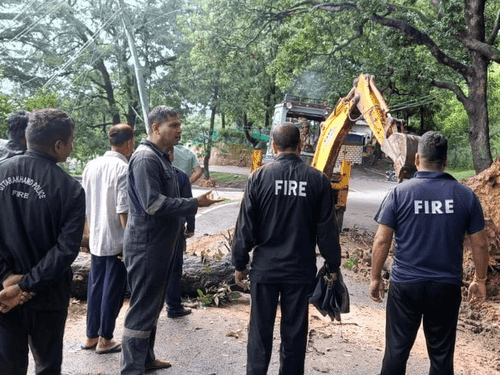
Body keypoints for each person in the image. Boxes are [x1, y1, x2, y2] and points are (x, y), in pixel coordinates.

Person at [370, 131, 489, 375]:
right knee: (442, 357)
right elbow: (480, 245)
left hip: (405, 286)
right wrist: (480, 279)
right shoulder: (466, 196)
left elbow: (382, 240)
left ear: (416, 160)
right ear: (446, 162)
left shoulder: (399, 194)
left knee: (396, 351)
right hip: (445, 286)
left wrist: (375, 277)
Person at [232, 122, 341, 375]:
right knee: (294, 334)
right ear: (301, 145)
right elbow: (327, 230)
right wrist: (332, 265)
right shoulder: (317, 180)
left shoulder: (258, 177)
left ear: (273, 145)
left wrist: (239, 263)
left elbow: (245, 227)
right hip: (299, 271)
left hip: (264, 270)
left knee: (259, 332)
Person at [121, 106, 223, 374]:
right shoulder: (145, 159)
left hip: (161, 245)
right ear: (156, 128)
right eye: (173, 125)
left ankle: (146, 359)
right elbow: (152, 204)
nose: (179, 130)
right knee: (142, 308)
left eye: (179, 124)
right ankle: (131, 368)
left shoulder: (160, 157)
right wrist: (194, 203)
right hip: (146, 246)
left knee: (153, 306)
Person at [0, 109, 85, 374]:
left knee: (7, 366)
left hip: (2, 293)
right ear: (58, 145)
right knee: (48, 366)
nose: (72, 148)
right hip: (47, 295)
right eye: (71, 141)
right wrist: (25, 284)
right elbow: (66, 249)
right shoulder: (70, 189)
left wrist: (7, 280)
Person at [81, 123, 135, 354]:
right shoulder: (124, 169)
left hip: (95, 238)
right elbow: (123, 209)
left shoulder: (91, 165)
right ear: (130, 143)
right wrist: (129, 243)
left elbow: (82, 205)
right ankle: (105, 339)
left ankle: (91, 336)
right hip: (116, 241)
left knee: (95, 288)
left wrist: (86, 235)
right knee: (112, 291)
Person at [164, 146, 195, 318]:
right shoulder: (181, 176)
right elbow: (189, 203)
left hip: (153, 232)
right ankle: (173, 307)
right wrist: (191, 226)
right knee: (175, 268)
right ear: (171, 155)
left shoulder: (150, 174)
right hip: (175, 229)